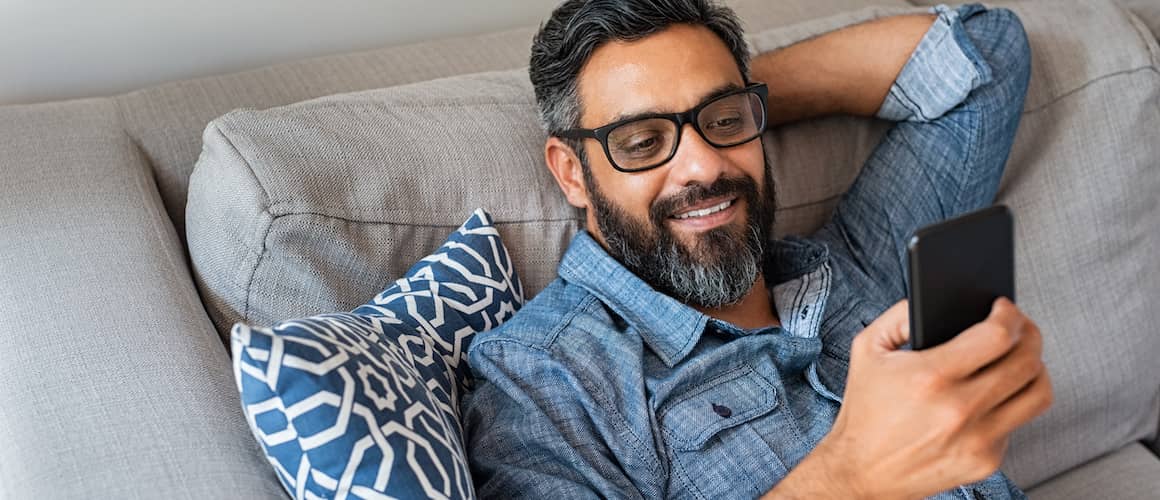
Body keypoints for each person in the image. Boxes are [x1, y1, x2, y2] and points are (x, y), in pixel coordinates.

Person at [461, 0, 1053, 498]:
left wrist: (731, 102)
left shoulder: (854, 262)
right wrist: (847, 477)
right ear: (571, 172)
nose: (702, 165)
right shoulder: (543, 381)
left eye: (724, 123)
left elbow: (986, 54)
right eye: (642, 141)